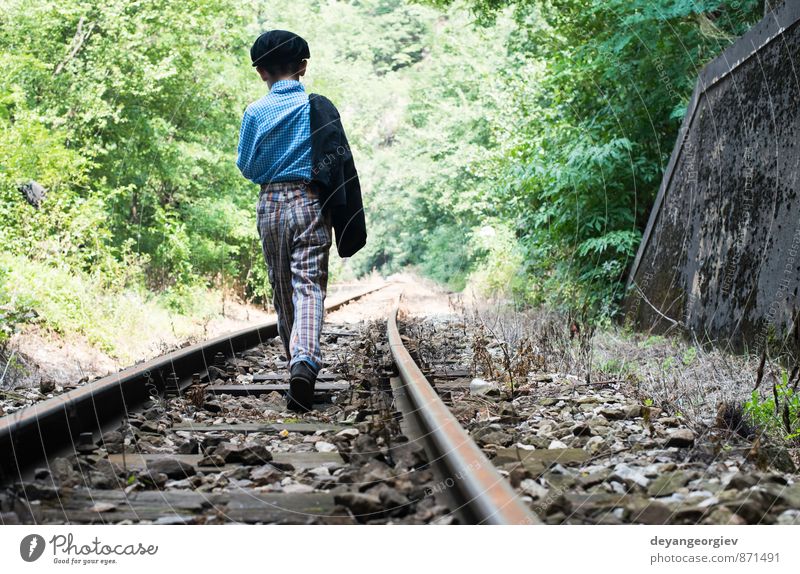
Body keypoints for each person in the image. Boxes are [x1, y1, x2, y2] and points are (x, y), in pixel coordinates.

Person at [236, 30, 366, 412]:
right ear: (303, 67)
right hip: (310, 203)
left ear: (261, 72)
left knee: (282, 287)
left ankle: (295, 359)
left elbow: (246, 166)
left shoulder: (255, 112)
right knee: (308, 285)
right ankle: (304, 362)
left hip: (271, 203)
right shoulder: (315, 107)